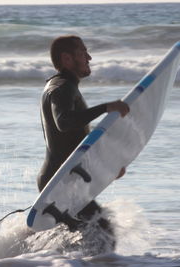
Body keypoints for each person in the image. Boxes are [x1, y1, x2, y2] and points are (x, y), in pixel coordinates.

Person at [37, 35, 129, 231]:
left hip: (64, 179)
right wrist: (106, 107)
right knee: (104, 234)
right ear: (67, 59)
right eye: (82, 53)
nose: (89, 57)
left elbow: (72, 144)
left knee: (87, 239)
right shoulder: (62, 88)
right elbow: (65, 122)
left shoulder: (60, 86)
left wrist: (107, 169)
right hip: (61, 183)